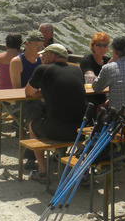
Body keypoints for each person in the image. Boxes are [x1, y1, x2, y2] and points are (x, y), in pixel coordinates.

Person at [23, 43, 88, 179]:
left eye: (44, 54)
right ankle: (80, 173)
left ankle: (42, 171)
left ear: (52, 56)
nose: (42, 57)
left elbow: (29, 92)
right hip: (80, 131)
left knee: (32, 124)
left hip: (57, 131)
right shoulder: (77, 69)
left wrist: (43, 90)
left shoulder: (42, 69)